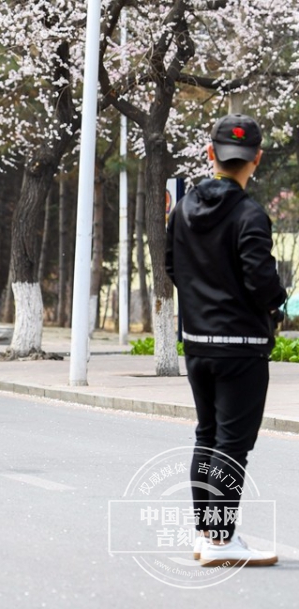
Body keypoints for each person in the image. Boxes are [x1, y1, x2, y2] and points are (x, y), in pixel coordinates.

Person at [165, 114, 284, 567]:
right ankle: (220, 539)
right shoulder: (250, 213)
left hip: (197, 344)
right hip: (241, 349)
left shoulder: (183, 209)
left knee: (207, 436)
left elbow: (173, 266)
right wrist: (276, 302)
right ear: (256, 158)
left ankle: (207, 534)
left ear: (211, 154)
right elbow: (260, 280)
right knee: (232, 444)